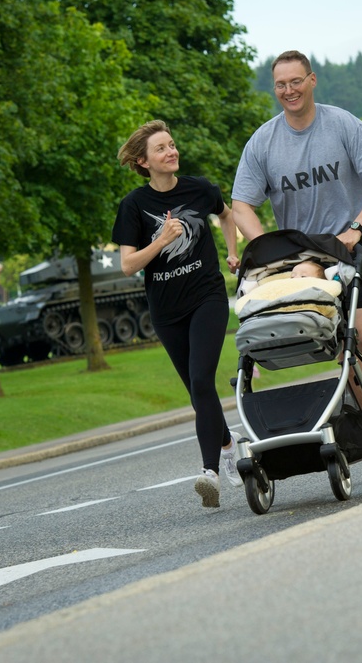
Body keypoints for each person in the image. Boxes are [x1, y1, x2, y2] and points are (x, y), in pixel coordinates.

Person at [231, 50, 362, 481]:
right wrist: (265, 245)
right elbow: (240, 205)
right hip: (307, 257)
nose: (288, 91)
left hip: (359, 243)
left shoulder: (342, 124)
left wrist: (357, 227)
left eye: (296, 82)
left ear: (312, 80)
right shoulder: (263, 142)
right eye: (280, 85)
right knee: (341, 345)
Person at [113, 120, 242, 509]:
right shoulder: (133, 206)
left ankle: (210, 474)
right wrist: (162, 241)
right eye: (161, 149)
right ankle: (229, 445)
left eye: (172, 145)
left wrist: (232, 252)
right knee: (196, 389)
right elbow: (127, 265)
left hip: (207, 298)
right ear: (143, 161)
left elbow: (228, 214)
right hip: (167, 311)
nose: (172, 152)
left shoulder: (199, 188)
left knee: (202, 379)